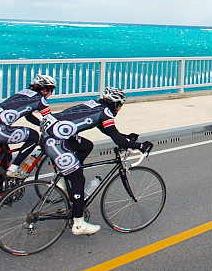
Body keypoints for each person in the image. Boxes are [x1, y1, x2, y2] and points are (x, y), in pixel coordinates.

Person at [40, 87, 153, 236]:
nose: (119, 109)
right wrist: (141, 146)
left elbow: (109, 131)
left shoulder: (93, 104)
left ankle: (63, 178)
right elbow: (116, 139)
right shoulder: (106, 113)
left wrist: (125, 137)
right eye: (120, 105)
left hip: (51, 134)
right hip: (55, 141)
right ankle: (79, 224)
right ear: (115, 103)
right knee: (78, 179)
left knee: (86, 146)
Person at [0, 74, 57, 182]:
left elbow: (29, 117)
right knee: (34, 136)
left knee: (4, 159)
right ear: (46, 90)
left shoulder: (23, 93)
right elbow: (50, 121)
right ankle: (13, 169)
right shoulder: (40, 99)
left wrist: (41, 124)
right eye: (51, 91)